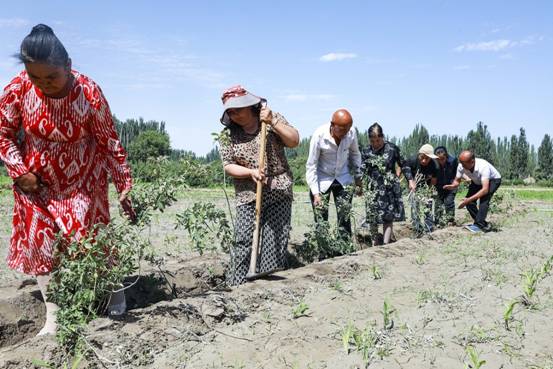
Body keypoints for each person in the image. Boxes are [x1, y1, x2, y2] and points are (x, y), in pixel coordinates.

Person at [0, 25, 135, 335]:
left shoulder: (88, 92)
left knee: (89, 240)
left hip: (82, 179)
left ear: (69, 65)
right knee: (42, 242)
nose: (44, 85)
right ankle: (54, 314)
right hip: (36, 182)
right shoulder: (18, 89)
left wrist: (123, 182)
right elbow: (3, 135)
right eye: (36, 78)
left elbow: (108, 141)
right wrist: (20, 172)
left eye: (51, 77)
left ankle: (115, 293)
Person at [218, 85, 299, 286]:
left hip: (278, 189)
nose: (234, 115)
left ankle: (267, 286)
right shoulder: (227, 135)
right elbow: (228, 166)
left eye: (237, 109)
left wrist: (273, 122)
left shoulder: (271, 119)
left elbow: (294, 140)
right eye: (230, 112)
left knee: (274, 241)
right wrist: (250, 172)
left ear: (249, 106)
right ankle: (236, 286)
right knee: (243, 240)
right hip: (248, 194)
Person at [305, 109, 362, 239]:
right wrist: (316, 193)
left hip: (343, 178)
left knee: (344, 218)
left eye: (347, 130)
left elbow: (355, 154)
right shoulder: (319, 135)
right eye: (341, 130)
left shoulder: (351, 133)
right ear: (332, 124)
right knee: (321, 220)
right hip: (322, 179)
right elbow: (311, 165)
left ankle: (344, 251)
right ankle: (323, 253)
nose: (344, 134)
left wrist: (358, 178)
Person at [362, 123, 414, 245]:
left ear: (383, 137)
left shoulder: (392, 148)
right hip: (373, 188)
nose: (375, 143)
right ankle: (375, 243)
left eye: (378, 140)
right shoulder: (365, 151)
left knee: (388, 216)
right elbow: (361, 168)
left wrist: (410, 180)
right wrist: (358, 183)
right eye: (372, 141)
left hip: (389, 187)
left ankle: (386, 244)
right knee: (372, 216)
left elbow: (404, 164)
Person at [443, 150, 502, 233]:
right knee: (469, 202)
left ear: (472, 161)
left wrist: (468, 199)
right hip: (477, 181)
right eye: (461, 163)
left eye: (464, 163)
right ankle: (482, 223)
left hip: (493, 180)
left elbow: (485, 190)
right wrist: (453, 185)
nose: (462, 166)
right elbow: (457, 180)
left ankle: (478, 225)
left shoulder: (483, 166)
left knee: (484, 200)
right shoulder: (461, 165)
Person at [405, 144, 439, 233]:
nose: (424, 160)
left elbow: (433, 180)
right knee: (415, 206)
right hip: (413, 184)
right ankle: (417, 228)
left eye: (427, 158)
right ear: (419, 154)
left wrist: (429, 191)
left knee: (428, 205)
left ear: (431, 158)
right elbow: (405, 169)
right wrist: (410, 181)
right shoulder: (412, 159)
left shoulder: (435, 165)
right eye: (422, 157)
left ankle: (429, 228)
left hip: (426, 187)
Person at [434, 146, 458, 225]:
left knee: (449, 202)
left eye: (442, 159)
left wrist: (454, 184)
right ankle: (438, 221)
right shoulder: (433, 162)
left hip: (451, 185)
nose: (440, 161)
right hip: (438, 186)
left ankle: (450, 221)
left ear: (446, 156)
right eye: (438, 159)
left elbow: (457, 173)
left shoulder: (453, 161)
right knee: (438, 203)